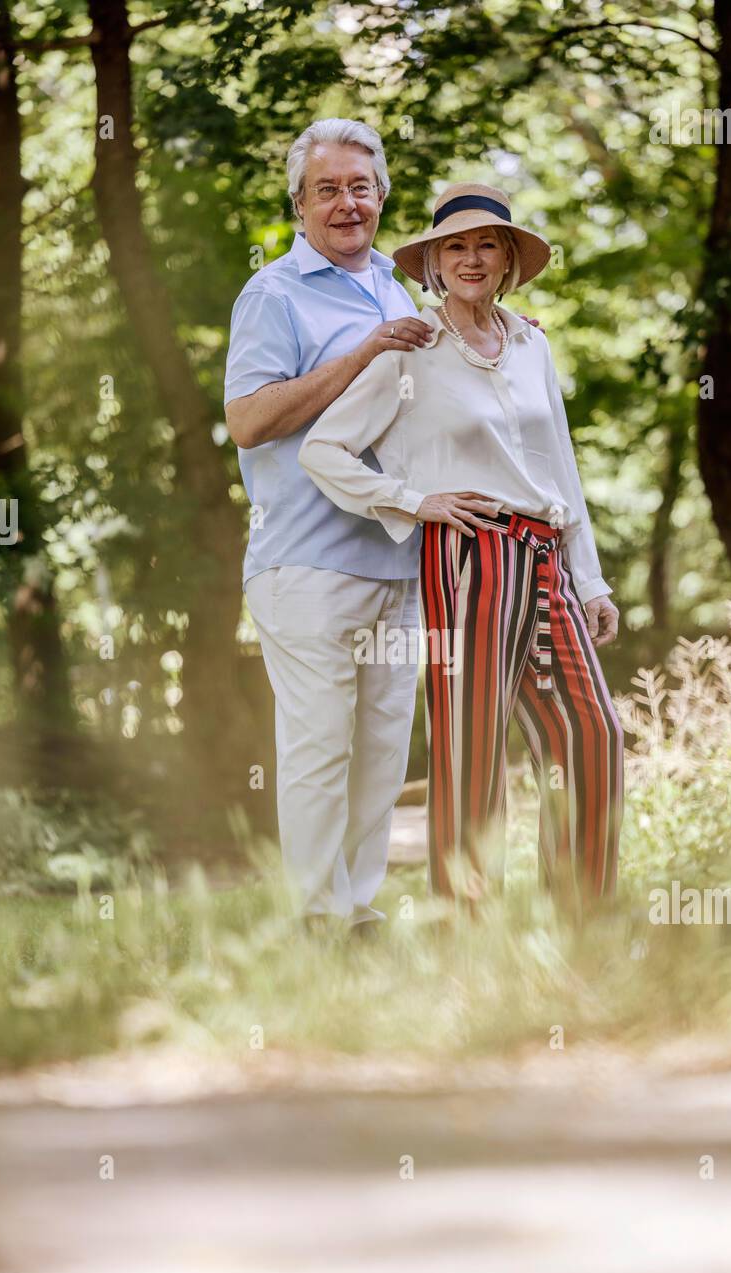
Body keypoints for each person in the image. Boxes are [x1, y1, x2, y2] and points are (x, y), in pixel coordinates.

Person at [299, 183, 624, 902]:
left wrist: (590, 580)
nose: (472, 258)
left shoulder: (531, 342)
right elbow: (323, 450)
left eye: (487, 244)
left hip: (545, 558)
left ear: (508, 259)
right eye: (456, 246)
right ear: (434, 265)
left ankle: (584, 928)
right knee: (470, 750)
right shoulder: (409, 350)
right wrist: (415, 503)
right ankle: (468, 943)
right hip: (467, 555)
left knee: (592, 734)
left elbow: (560, 466)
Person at [224, 118, 436, 932]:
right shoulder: (273, 292)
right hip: (305, 564)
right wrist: (360, 354)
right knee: (320, 749)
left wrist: (505, 341)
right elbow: (247, 421)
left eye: (359, 187)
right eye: (327, 190)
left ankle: (357, 911)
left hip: (397, 556)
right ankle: (314, 922)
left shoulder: (397, 285)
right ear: (299, 203)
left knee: (381, 752)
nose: (345, 203)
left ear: (381, 194)